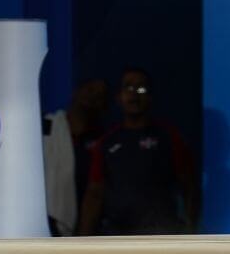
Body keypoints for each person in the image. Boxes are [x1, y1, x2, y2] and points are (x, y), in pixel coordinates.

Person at [78, 69, 197, 235]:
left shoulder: (169, 137)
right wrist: (84, 239)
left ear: (150, 97)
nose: (135, 95)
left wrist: (192, 229)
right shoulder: (106, 143)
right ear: (119, 97)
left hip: (162, 234)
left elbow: (189, 186)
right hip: (118, 236)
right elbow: (94, 194)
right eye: (129, 88)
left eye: (141, 89)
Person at [43, 77, 108, 235]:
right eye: (90, 90)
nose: (93, 97)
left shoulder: (105, 140)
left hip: (88, 226)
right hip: (45, 220)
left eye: (100, 96)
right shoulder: (45, 127)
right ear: (77, 92)